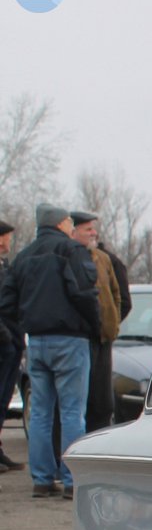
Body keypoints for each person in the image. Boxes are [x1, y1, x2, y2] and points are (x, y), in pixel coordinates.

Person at [0, 204, 100, 499]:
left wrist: (28, 319)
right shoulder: (71, 251)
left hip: (38, 341)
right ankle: (72, 481)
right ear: (60, 224)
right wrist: (93, 326)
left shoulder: (23, 257)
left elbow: (6, 302)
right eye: (70, 222)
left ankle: (42, 480)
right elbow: (85, 292)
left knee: (41, 413)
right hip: (70, 340)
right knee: (71, 411)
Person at [70, 211, 123, 432]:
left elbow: (116, 294)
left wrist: (113, 321)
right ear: (73, 232)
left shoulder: (103, 258)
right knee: (80, 402)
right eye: (87, 229)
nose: (94, 233)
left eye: (93, 228)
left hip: (104, 339)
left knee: (103, 403)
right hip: (82, 339)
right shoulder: (69, 258)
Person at [0, 219, 24, 472]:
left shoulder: (5, 266)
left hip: (12, 340)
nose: (8, 242)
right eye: (7, 237)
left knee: (4, 400)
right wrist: (5, 338)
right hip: (4, 342)